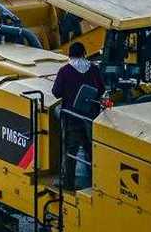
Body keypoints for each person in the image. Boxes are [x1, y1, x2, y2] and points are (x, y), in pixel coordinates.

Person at [51, 42, 104, 190]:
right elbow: (101, 88)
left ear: (69, 54)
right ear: (85, 53)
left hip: (72, 117)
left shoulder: (65, 71)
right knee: (90, 149)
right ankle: (96, 182)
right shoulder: (93, 69)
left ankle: (67, 183)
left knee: (70, 150)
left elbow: (56, 92)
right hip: (91, 116)